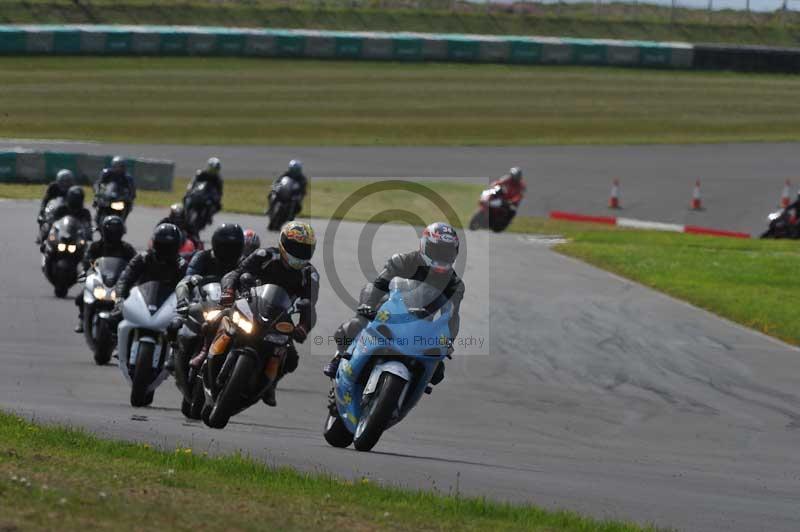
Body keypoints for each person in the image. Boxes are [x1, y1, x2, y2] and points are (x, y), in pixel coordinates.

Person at [324, 222, 464, 388]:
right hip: (387, 310)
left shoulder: (455, 284)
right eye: (437, 251)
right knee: (356, 325)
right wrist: (368, 307)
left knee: (437, 370)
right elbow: (378, 286)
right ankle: (339, 357)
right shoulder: (403, 261)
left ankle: (407, 393)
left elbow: (452, 316)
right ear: (425, 246)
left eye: (447, 253)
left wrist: (448, 341)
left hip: (421, 325)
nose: (442, 257)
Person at [215, 221, 319, 406]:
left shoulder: (309, 274)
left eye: (304, 250)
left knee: (291, 360)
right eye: (295, 247)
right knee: (214, 320)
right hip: (249, 304)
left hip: (279, 318)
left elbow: (309, 305)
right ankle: (201, 355)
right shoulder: (264, 255)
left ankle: (270, 384)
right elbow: (235, 273)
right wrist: (229, 291)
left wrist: (303, 327)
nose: (299, 254)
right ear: (283, 243)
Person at [73, 215, 137, 333]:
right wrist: (84, 271)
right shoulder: (96, 247)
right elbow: (86, 260)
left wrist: (135, 279)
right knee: (82, 296)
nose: (113, 233)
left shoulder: (127, 249)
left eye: (116, 231)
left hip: (119, 283)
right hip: (100, 280)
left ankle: (129, 325)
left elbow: (136, 264)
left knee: (132, 301)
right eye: (111, 230)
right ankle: (83, 319)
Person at [114, 223, 186, 304]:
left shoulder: (180, 264)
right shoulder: (143, 258)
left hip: (169, 307)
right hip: (141, 303)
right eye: (162, 245)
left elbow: (189, 286)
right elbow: (125, 278)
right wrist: (120, 296)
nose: (165, 250)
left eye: (169, 247)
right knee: (116, 315)